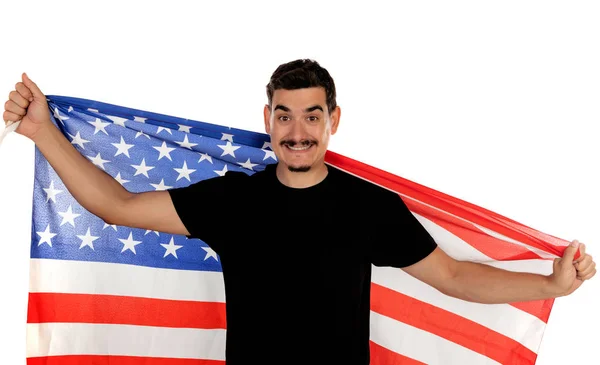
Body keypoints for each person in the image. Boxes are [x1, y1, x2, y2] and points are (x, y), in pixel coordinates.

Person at [3, 59, 596, 365]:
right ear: (267, 120)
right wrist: (43, 132)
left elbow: (456, 277)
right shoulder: (233, 201)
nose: (297, 130)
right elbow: (117, 205)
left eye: (312, 115)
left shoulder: (369, 209)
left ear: (334, 121)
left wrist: (549, 283)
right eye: (284, 114)